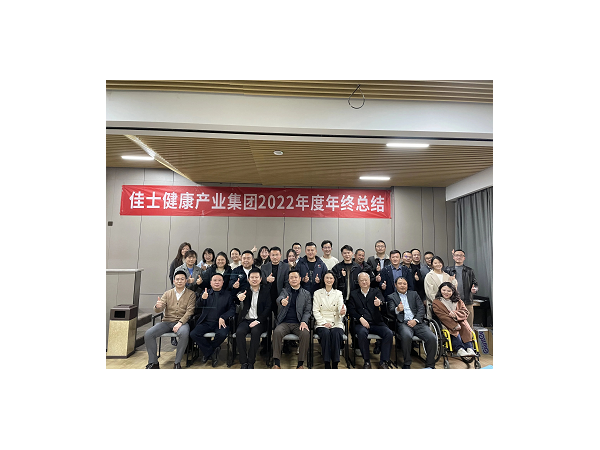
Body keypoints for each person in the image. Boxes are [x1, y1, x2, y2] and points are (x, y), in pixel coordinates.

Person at [143, 270, 196, 369]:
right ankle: (153, 362)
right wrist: (157, 306)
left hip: (182, 323)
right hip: (167, 322)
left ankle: (177, 362)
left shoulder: (191, 294)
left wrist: (180, 323)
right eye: (177, 279)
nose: (179, 281)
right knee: (149, 334)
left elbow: (190, 311)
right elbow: (159, 308)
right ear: (174, 281)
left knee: (184, 333)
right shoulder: (167, 293)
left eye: (182, 279)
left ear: (186, 281)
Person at [387, 277, 437, 369]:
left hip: (417, 322)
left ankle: (430, 364)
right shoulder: (391, 296)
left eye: (404, 284)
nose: (402, 286)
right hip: (403, 323)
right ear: (395, 285)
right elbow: (391, 310)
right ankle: (407, 363)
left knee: (432, 337)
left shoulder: (414, 294)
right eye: (400, 284)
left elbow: (421, 308)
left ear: (407, 285)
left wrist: (416, 320)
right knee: (406, 336)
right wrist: (397, 309)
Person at [347, 272, 393, 369]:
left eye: (366, 280)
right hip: (360, 323)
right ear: (358, 282)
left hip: (376, 322)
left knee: (388, 333)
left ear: (369, 281)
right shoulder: (354, 294)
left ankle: (383, 361)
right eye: (362, 280)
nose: (364, 282)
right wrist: (360, 318)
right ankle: (366, 361)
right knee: (362, 333)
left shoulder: (376, 292)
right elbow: (351, 310)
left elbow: (383, 303)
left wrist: (380, 303)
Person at [189, 273, 235, 367]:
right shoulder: (205, 293)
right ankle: (212, 352)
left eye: (219, 280)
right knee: (194, 334)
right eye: (214, 280)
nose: (217, 282)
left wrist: (223, 317)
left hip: (220, 323)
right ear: (210, 282)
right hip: (206, 322)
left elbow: (232, 309)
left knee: (222, 334)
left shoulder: (228, 294)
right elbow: (197, 307)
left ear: (223, 282)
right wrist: (202, 299)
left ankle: (208, 352)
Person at [271, 269, 312, 369]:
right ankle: (277, 363)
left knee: (305, 334)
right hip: (284, 323)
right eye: (291, 278)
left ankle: (300, 364)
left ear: (300, 279)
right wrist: (282, 301)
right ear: (288, 280)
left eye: (295, 277)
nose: (293, 279)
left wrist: (304, 321)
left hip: (299, 323)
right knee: (277, 332)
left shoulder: (306, 294)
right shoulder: (285, 291)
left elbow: (308, 311)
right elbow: (279, 298)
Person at [235, 268, 272, 369]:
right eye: (252, 277)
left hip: (259, 321)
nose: (254, 279)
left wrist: (258, 320)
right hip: (246, 320)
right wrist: (239, 296)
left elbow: (268, 307)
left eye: (256, 277)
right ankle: (243, 362)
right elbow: (238, 295)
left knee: (255, 333)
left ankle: (251, 361)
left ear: (260, 279)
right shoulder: (245, 289)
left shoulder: (266, 290)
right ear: (248, 279)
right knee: (239, 332)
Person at [432, 282, 476, 357]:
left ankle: (469, 348)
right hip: (445, 323)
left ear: (453, 291)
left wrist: (455, 314)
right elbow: (441, 316)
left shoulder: (459, 301)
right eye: (444, 290)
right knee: (454, 330)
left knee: (464, 327)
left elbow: (465, 312)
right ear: (440, 290)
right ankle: (459, 349)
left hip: (460, 321)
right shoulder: (436, 302)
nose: (446, 292)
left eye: (449, 291)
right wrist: (454, 324)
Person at [312, 271, 346, 369]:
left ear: (334, 280)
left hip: (336, 321)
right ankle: (326, 363)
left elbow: (341, 306)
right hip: (322, 322)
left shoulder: (338, 293)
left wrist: (342, 311)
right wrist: (323, 323)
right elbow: (315, 310)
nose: (329, 280)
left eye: (331, 278)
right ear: (323, 279)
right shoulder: (317, 293)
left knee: (336, 333)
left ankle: (335, 363)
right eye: (327, 278)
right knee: (326, 333)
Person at [444, 249, 479, 329]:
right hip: (453, 302)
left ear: (464, 258)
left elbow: (475, 283)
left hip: (467, 302)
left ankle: (469, 337)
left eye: (461, 255)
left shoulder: (469, 270)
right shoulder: (448, 270)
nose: (458, 257)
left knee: (469, 326)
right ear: (453, 257)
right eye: (456, 255)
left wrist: (475, 289)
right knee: (455, 326)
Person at [260, 246, 290, 320]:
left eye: (277, 255)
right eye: (273, 255)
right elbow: (260, 280)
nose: (275, 257)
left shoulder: (285, 266)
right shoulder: (264, 267)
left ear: (280, 255)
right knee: (267, 317)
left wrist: (283, 295)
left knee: (279, 316)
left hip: (280, 295)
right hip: (268, 296)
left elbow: (287, 283)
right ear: (269, 255)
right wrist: (266, 279)